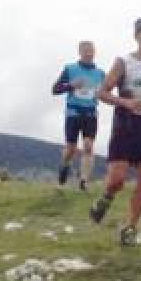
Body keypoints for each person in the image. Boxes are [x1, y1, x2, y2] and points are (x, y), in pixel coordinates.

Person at [89, 15, 141, 246]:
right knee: (117, 179)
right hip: (126, 124)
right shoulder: (124, 62)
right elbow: (102, 93)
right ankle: (106, 197)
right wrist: (126, 103)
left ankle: (131, 227)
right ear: (137, 36)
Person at [51, 41, 106, 191]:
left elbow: (106, 93)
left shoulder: (100, 74)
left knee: (88, 146)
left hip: (91, 113)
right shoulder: (70, 69)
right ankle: (65, 167)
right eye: (86, 51)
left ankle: (84, 181)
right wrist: (70, 85)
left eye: (92, 51)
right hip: (73, 113)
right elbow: (55, 89)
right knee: (71, 149)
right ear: (80, 52)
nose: (89, 53)